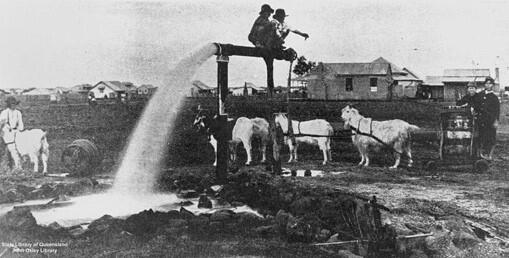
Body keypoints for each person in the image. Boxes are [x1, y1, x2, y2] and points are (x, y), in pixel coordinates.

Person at [477, 78, 500, 160]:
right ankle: (480, 154)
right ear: (484, 84)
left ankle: (488, 155)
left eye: (490, 84)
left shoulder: (494, 98)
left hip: (490, 121)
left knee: (490, 138)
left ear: (492, 85)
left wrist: (496, 121)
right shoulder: (480, 95)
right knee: (480, 137)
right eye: (487, 83)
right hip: (480, 120)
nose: (488, 85)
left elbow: (497, 111)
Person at [0, 96, 24, 169]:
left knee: (19, 149)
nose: (14, 105)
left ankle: (17, 166)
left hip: (16, 132)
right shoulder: (5, 112)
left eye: (15, 104)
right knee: (12, 149)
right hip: (7, 132)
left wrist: (21, 130)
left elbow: (20, 123)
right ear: (9, 104)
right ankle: (17, 167)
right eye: (12, 104)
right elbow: (1, 123)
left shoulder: (18, 113)